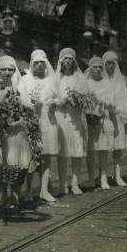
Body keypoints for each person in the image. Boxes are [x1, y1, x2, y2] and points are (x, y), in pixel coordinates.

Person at [0, 55, 37, 215]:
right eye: (3, 69)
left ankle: (15, 199)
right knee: (3, 165)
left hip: (17, 132)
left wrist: (19, 121)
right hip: (1, 131)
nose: (7, 72)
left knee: (17, 164)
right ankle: (3, 198)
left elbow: (26, 109)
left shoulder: (18, 87)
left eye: (10, 69)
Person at [18, 49, 59, 202]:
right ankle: (28, 190)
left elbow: (59, 99)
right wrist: (30, 104)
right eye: (37, 63)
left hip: (48, 121)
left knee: (46, 156)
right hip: (31, 121)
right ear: (32, 64)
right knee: (31, 156)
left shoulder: (51, 80)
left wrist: (52, 103)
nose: (40, 65)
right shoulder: (25, 80)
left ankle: (43, 190)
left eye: (42, 62)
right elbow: (20, 99)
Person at [51, 47, 87, 195]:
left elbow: (85, 96)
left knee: (76, 151)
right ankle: (62, 184)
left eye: (70, 59)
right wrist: (60, 101)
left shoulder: (79, 78)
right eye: (65, 58)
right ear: (61, 61)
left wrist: (76, 100)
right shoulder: (56, 78)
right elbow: (50, 96)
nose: (67, 61)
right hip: (61, 116)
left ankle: (75, 183)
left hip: (75, 118)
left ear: (74, 61)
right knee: (62, 153)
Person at [85, 56, 115, 189]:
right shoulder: (86, 83)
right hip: (90, 120)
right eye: (94, 67)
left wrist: (103, 102)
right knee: (90, 151)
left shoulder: (107, 83)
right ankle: (91, 178)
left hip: (103, 119)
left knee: (103, 150)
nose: (97, 69)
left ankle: (103, 177)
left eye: (99, 67)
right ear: (90, 68)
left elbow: (113, 103)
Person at [102, 51, 127, 186]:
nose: (110, 66)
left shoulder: (120, 81)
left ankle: (117, 174)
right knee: (103, 147)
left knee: (118, 148)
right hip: (105, 117)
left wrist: (125, 115)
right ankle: (102, 176)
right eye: (108, 63)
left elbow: (124, 99)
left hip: (118, 116)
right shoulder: (100, 79)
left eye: (113, 64)